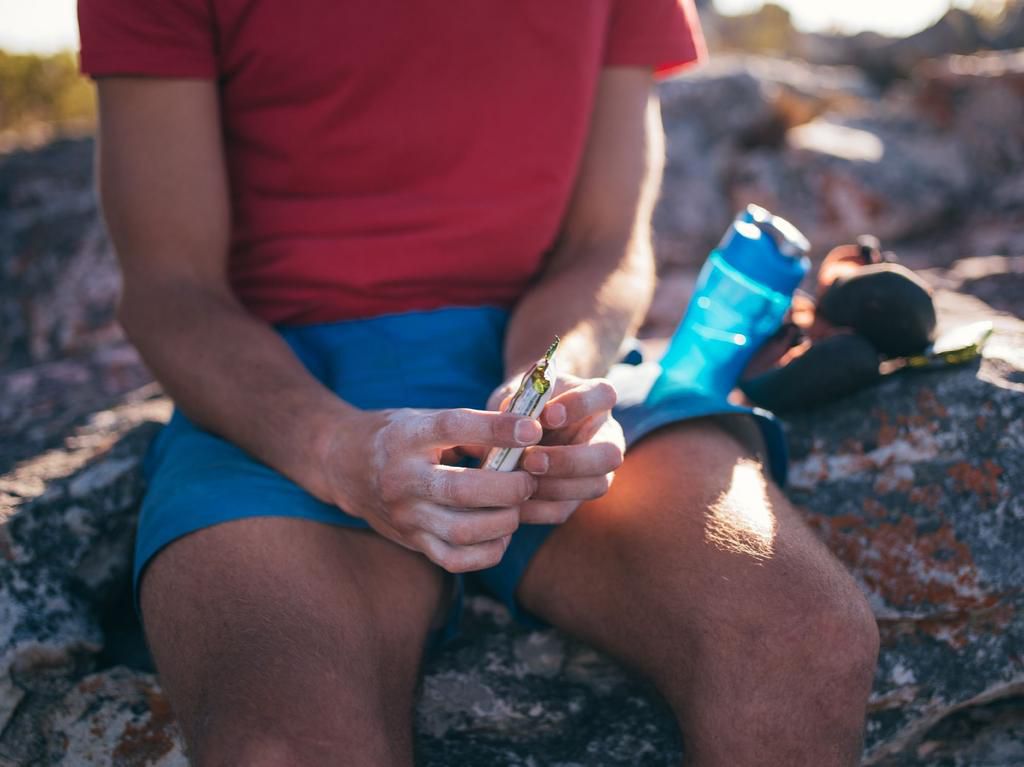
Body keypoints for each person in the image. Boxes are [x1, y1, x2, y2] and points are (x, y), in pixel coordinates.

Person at [78, 1, 879, 764]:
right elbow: (170, 290)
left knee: (799, 640)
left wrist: (552, 381)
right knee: (287, 751)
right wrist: (332, 447)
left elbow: (606, 245)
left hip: (536, 355)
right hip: (276, 401)